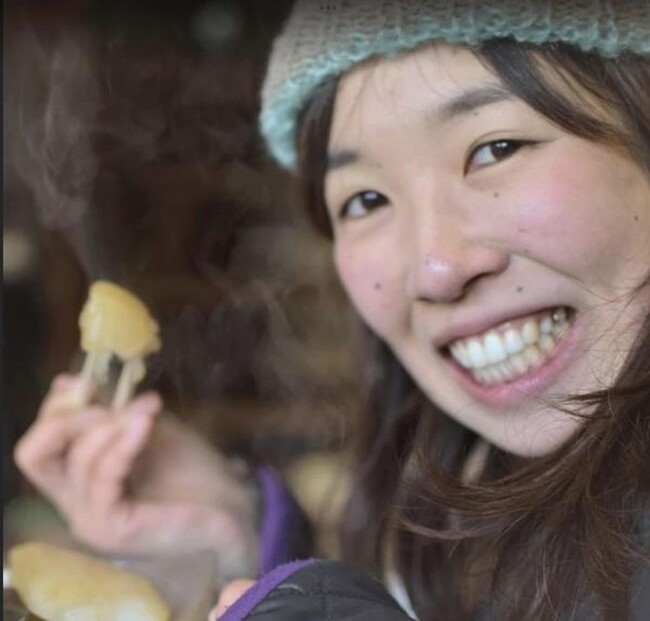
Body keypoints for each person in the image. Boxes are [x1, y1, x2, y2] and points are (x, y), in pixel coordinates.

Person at [14, 1, 650, 619]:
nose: (436, 269)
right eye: (366, 200)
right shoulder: (484, 527)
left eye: (497, 148)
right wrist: (253, 549)